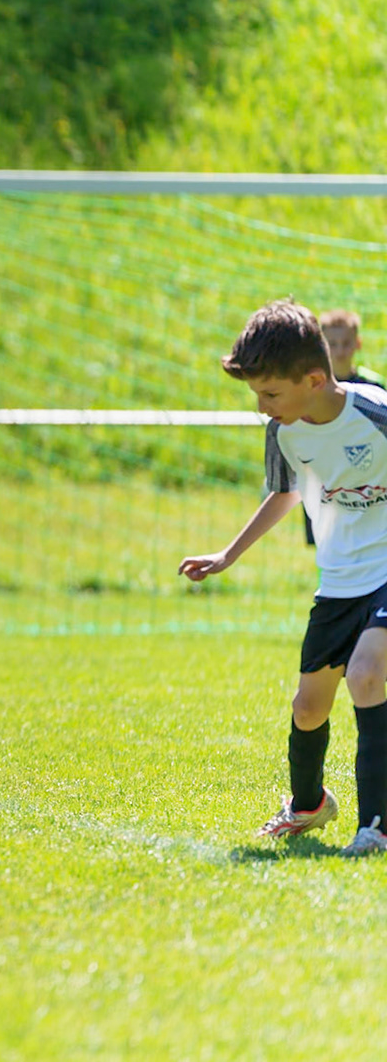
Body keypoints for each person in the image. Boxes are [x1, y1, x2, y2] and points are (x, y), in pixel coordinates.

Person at [181, 299, 387, 856]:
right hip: (340, 581)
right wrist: (228, 555)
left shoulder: (375, 414)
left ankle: (376, 827)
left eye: (270, 393)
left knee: (367, 675)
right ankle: (309, 805)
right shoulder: (284, 432)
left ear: (314, 380)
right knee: (308, 708)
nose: (261, 406)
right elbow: (285, 493)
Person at [302, 310, 384, 545]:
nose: (339, 351)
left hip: (367, 483)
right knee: (328, 545)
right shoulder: (308, 390)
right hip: (326, 482)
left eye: (346, 343)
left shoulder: (374, 390)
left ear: (357, 343)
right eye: (332, 344)